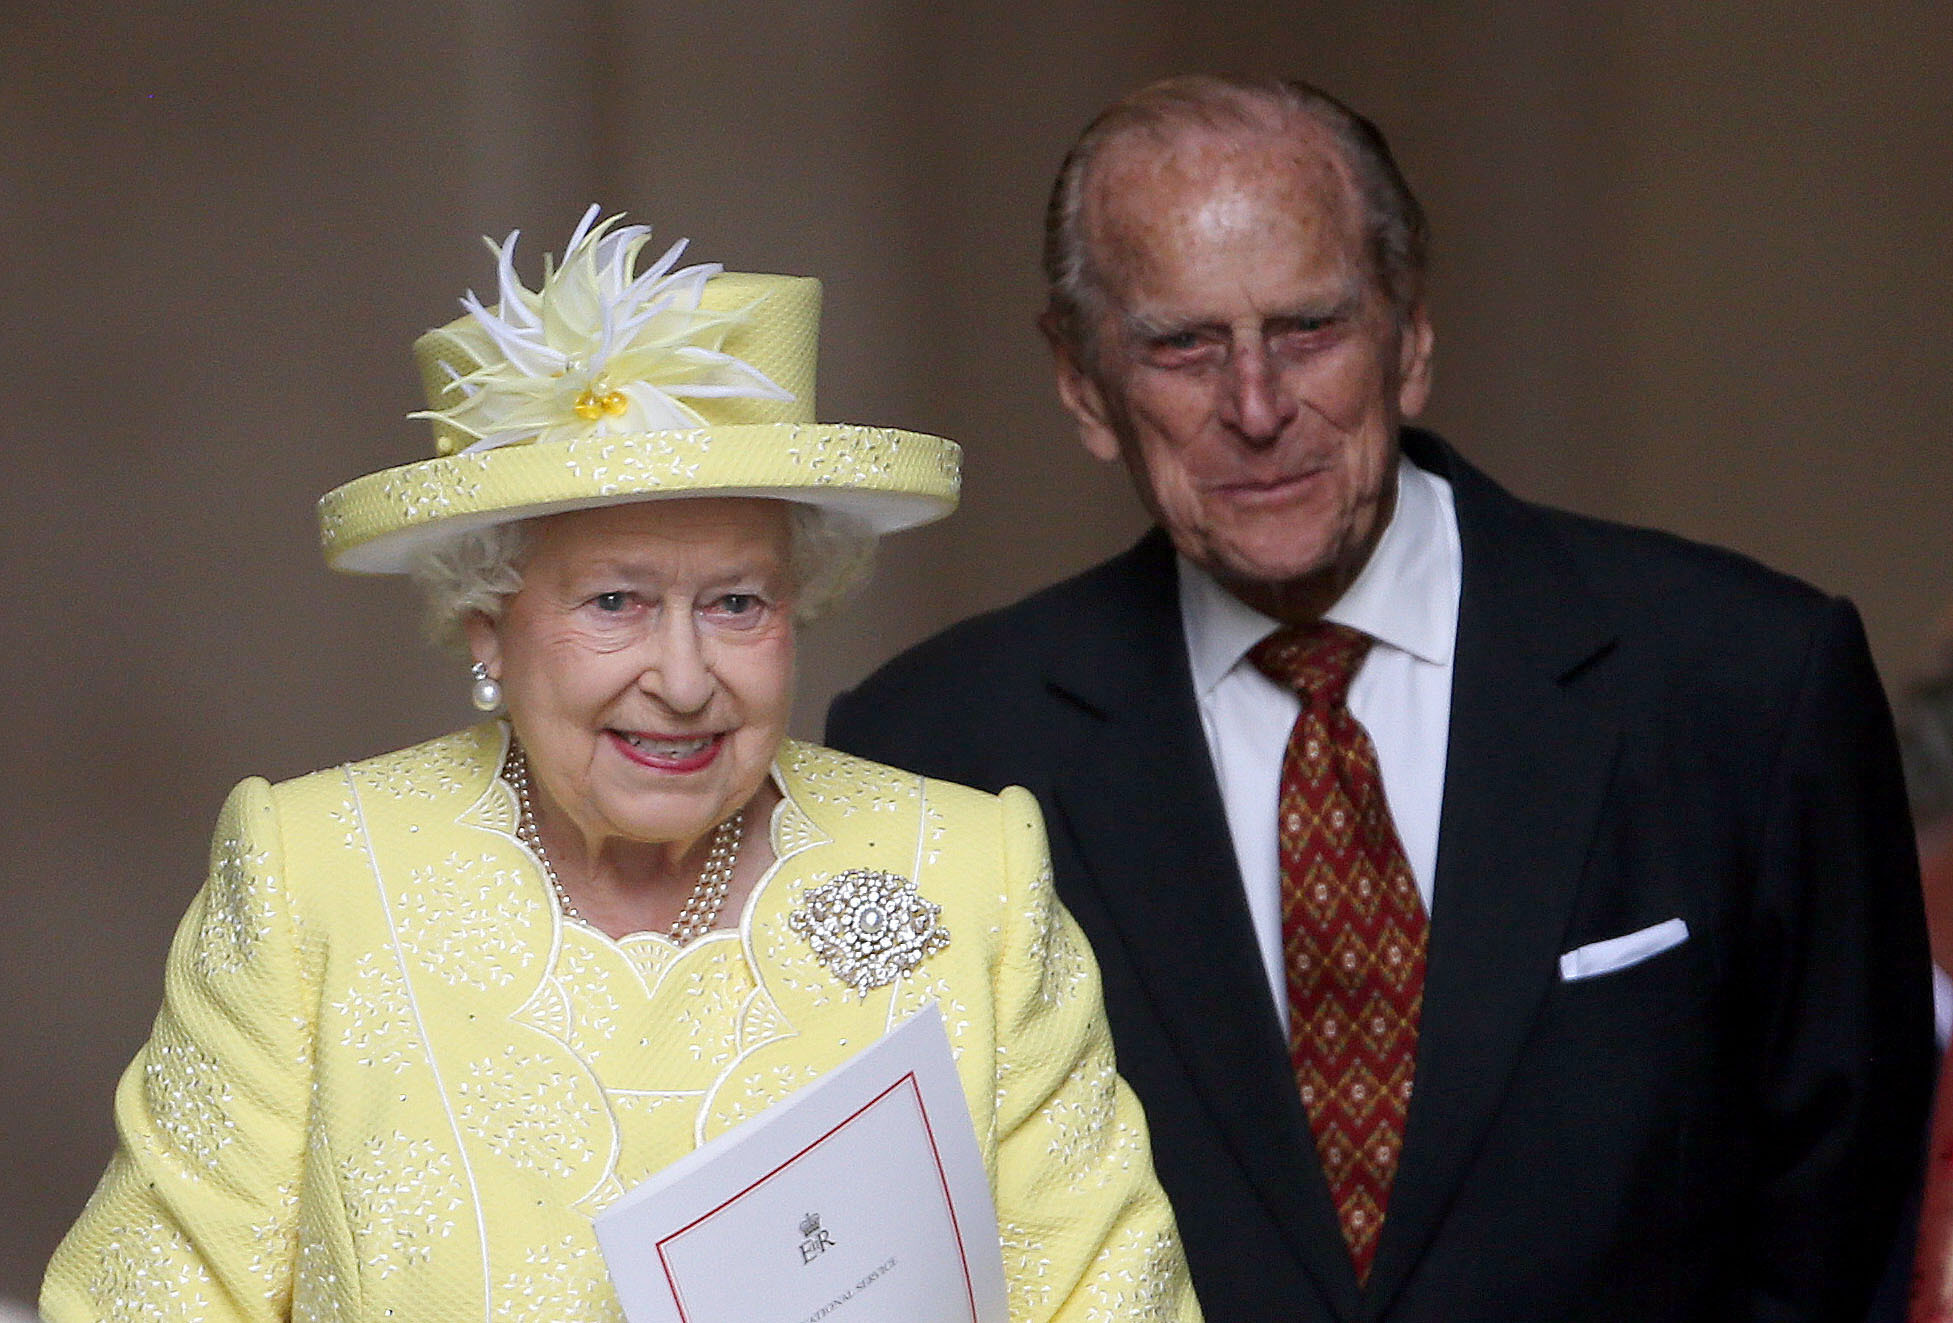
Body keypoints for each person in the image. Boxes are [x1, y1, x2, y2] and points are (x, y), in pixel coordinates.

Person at [826, 74, 1933, 1321]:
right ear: (1084, 385)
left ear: (1409, 341)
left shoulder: (1745, 685)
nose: (1255, 407)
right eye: (1182, 345)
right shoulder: (932, 756)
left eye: (1309, 329)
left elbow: (1842, 1219)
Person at [42, 208, 1199, 1322]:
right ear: (487, 621)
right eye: (616, 603)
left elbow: (1115, 1300)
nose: (685, 678)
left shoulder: (966, 873)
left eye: (737, 603)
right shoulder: (316, 878)